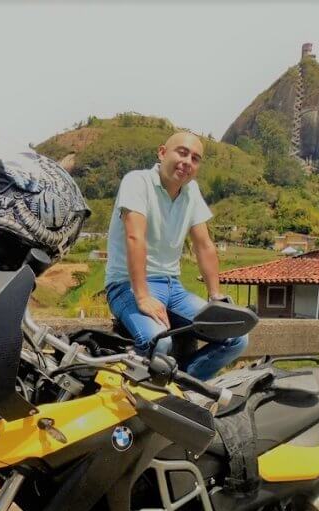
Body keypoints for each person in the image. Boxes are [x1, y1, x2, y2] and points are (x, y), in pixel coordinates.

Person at [103, 131, 248, 380]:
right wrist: (143, 296)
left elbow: (204, 245)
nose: (187, 162)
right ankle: (140, 394)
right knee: (158, 342)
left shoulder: (191, 192)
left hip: (174, 288)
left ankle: (181, 386)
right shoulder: (137, 182)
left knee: (237, 338)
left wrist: (215, 296)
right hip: (126, 285)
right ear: (162, 153)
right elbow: (135, 238)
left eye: (195, 158)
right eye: (182, 152)